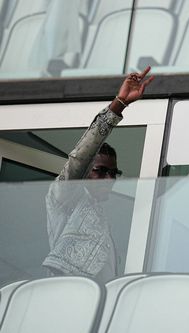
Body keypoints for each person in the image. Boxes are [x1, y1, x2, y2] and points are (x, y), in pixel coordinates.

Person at [42, 66, 154, 283]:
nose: (109, 179)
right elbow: (80, 158)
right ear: (85, 172)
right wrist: (119, 104)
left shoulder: (103, 222)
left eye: (113, 173)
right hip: (66, 296)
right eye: (101, 171)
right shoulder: (67, 199)